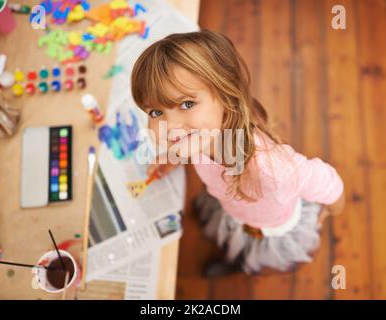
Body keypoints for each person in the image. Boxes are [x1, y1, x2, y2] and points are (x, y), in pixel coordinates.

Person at [130, 30, 345, 277]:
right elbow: (188, 143)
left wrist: (332, 209)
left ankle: (240, 264)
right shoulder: (200, 136)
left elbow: (329, 182)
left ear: (225, 96)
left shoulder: (274, 170)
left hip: (266, 226)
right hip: (229, 204)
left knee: (250, 253)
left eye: (187, 104)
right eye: (156, 113)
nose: (171, 126)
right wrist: (173, 158)